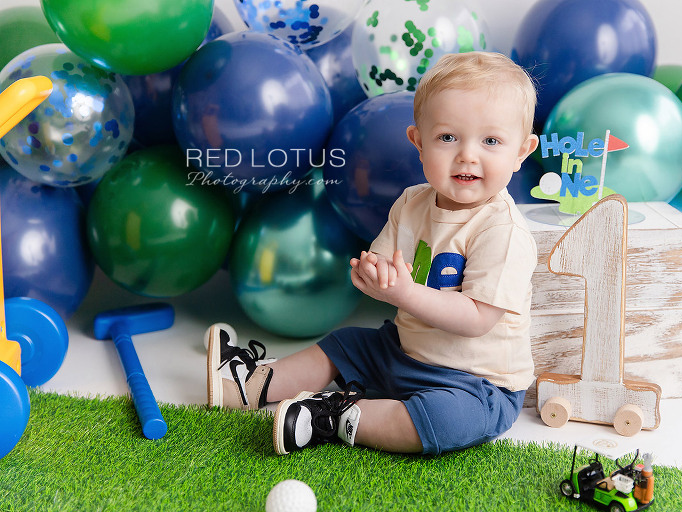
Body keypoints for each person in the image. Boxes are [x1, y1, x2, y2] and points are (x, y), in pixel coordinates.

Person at [206, 51, 539, 456]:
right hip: (403, 352)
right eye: (448, 137)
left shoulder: (502, 231)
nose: (468, 155)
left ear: (521, 152)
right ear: (419, 142)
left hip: (475, 382)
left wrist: (405, 293)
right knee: (346, 344)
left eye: (491, 141)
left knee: (446, 421)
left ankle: (333, 415)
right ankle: (251, 383)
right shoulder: (411, 203)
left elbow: (476, 319)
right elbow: (384, 265)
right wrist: (373, 274)